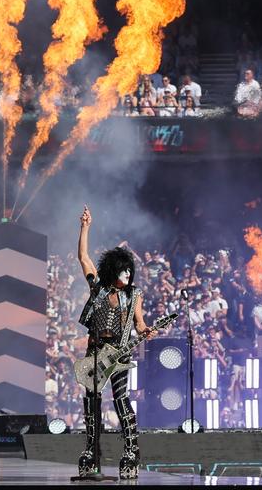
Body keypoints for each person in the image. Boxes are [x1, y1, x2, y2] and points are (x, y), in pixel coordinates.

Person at [76, 206, 150, 480]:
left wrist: (146, 330)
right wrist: (85, 227)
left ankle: (131, 451)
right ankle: (91, 453)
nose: (127, 276)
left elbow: (139, 323)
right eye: (123, 271)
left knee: (121, 399)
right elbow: (83, 257)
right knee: (91, 403)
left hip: (119, 353)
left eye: (129, 272)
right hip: (95, 351)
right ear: (113, 271)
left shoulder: (134, 296)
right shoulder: (99, 289)